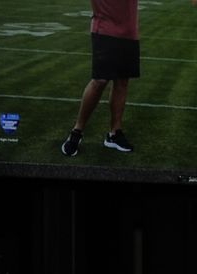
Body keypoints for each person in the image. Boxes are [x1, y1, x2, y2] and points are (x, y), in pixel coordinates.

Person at [59, 0, 140, 157]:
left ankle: (114, 133)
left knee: (122, 81)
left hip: (129, 31)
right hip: (105, 29)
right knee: (100, 80)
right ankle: (77, 131)